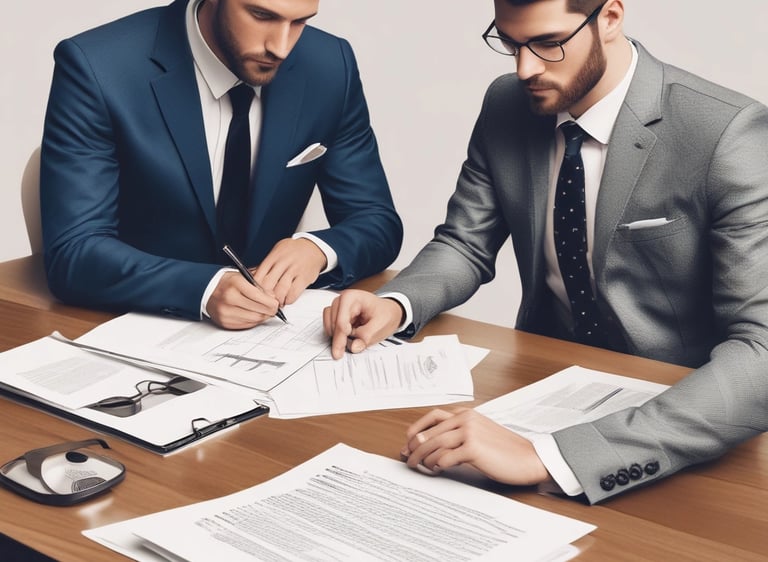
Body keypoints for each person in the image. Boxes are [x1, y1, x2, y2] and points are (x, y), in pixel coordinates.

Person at [324, 0, 768, 503]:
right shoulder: (507, 103)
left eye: (548, 43)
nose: (525, 68)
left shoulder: (727, 133)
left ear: (610, 18)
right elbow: (465, 243)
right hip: (540, 387)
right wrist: (397, 302)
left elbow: (762, 350)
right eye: (512, 44)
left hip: (676, 421)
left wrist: (549, 458)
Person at [40, 0, 402, 329]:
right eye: (261, 15)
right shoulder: (98, 67)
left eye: (300, 22)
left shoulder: (329, 65)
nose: (281, 46)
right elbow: (75, 251)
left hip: (266, 340)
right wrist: (205, 288)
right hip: (129, 328)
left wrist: (317, 250)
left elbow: (377, 221)